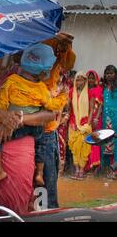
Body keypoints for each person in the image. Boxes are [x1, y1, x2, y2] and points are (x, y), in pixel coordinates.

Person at [0, 52, 55, 214]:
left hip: (18, 145)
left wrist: (20, 119)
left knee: (14, 203)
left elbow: (50, 114)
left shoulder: (27, 71)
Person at [0, 43, 68, 186]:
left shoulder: (11, 81)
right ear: (42, 72)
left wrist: (5, 117)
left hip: (16, 131)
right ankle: (39, 173)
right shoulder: (42, 88)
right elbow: (52, 105)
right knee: (40, 143)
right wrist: (63, 96)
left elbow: (2, 105)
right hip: (34, 130)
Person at [41, 32, 76, 208]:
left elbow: (69, 63)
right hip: (37, 124)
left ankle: (50, 209)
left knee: (50, 175)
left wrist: (65, 46)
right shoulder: (34, 40)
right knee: (44, 176)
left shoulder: (56, 42)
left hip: (49, 127)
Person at [67, 72, 92, 180]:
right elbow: (69, 109)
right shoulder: (71, 92)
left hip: (85, 124)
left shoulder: (89, 93)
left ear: (85, 81)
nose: (79, 82)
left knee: (84, 147)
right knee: (74, 148)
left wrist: (88, 124)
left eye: (81, 80)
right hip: (73, 123)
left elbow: (91, 110)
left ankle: (82, 170)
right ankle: (76, 169)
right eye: (77, 80)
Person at [84, 70, 103, 174]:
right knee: (87, 140)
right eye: (88, 78)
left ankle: (96, 166)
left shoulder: (98, 89)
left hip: (95, 119)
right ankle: (87, 165)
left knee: (95, 141)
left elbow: (100, 105)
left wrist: (96, 118)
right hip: (86, 119)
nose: (90, 80)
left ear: (95, 79)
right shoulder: (84, 90)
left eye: (92, 78)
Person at [102, 65, 117, 179]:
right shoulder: (104, 88)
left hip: (116, 119)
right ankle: (109, 169)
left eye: (111, 73)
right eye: (107, 73)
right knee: (107, 144)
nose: (109, 75)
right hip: (106, 120)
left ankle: (115, 171)